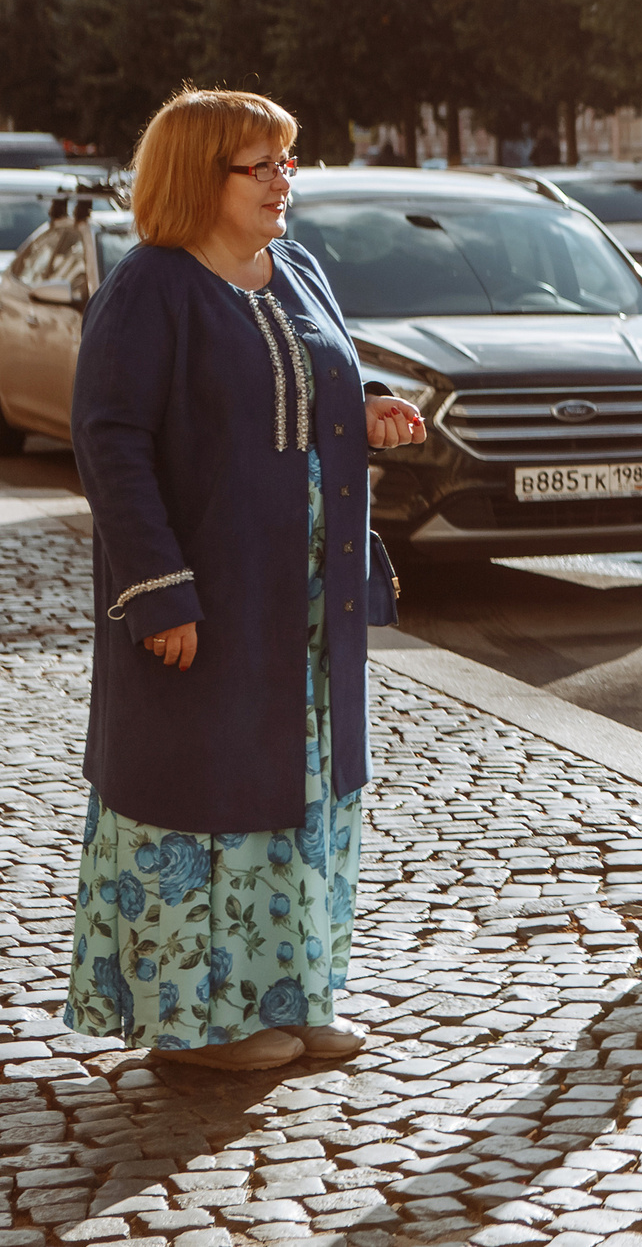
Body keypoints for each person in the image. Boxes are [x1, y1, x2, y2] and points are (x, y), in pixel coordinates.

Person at [67, 90, 426, 1073]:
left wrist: (373, 407)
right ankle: (196, 1028)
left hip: (306, 610)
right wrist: (157, 588)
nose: (282, 182)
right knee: (207, 798)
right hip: (211, 604)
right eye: (259, 166)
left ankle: (299, 996)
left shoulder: (297, 271)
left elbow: (312, 383)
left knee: (302, 796)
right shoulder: (150, 288)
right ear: (199, 176)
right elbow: (109, 440)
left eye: (286, 163)